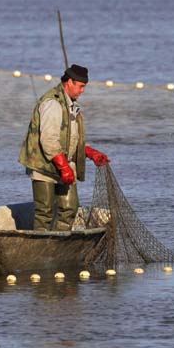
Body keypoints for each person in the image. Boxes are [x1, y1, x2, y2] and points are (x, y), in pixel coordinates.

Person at [18, 64, 110, 231]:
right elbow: (48, 141)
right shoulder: (52, 103)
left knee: (70, 209)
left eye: (84, 87)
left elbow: (71, 139)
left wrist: (90, 153)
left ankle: (59, 245)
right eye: (81, 86)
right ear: (69, 82)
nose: (82, 91)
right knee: (44, 211)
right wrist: (64, 167)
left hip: (63, 164)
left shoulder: (71, 105)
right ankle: (41, 247)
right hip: (43, 165)